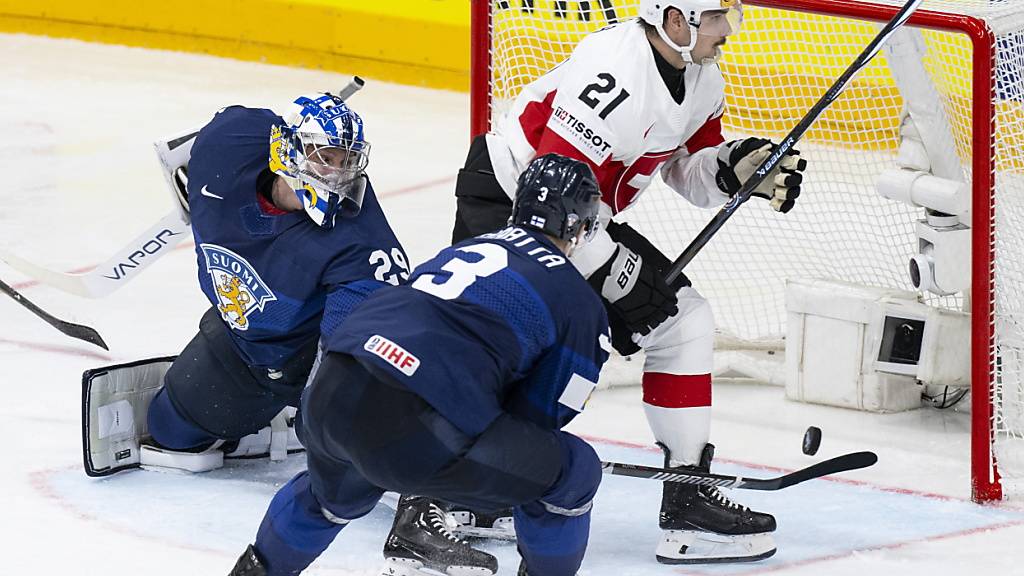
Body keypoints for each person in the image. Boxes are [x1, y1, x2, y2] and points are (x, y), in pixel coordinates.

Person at [446, 0, 807, 564]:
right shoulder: (612, 68)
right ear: (674, 20)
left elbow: (688, 171)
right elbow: (549, 189)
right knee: (499, 348)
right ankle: (451, 497)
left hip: (583, 219)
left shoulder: (703, 78)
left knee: (683, 322)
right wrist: (613, 272)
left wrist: (736, 169)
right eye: (716, 17)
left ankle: (687, 500)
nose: (727, 30)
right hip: (512, 200)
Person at [109, 92, 495, 570]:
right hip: (238, 341)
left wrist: (352, 437)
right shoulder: (228, 143)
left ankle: (431, 492)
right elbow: (225, 125)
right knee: (169, 431)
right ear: (285, 150)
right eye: (325, 158)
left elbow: (362, 368)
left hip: (302, 360)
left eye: (347, 162)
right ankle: (260, 424)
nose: (338, 175)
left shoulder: (360, 247)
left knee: (355, 420)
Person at [227, 154, 610, 576]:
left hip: (331, 390)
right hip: (418, 428)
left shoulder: (466, 249)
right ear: (580, 223)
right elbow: (539, 419)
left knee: (332, 495)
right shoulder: (578, 301)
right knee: (574, 471)